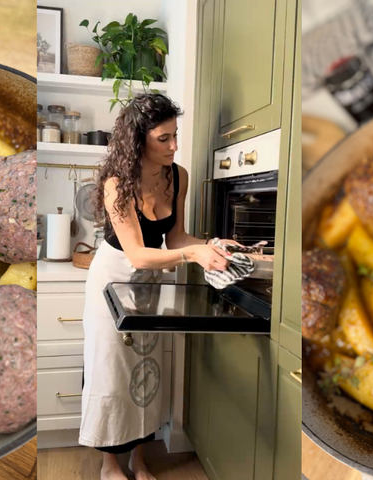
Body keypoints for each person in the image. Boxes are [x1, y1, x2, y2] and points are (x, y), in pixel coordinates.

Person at [80, 94, 237, 480]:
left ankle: (140, 458)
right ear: (139, 139)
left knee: (147, 370)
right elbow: (136, 253)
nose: (174, 146)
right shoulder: (117, 185)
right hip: (112, 281)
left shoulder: (177, 176)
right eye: (164, 138)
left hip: (149, 283)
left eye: (175, 136)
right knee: (112, 371)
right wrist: (193, 256)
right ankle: (109, 464)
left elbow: (176, 238)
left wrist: (208, 245)